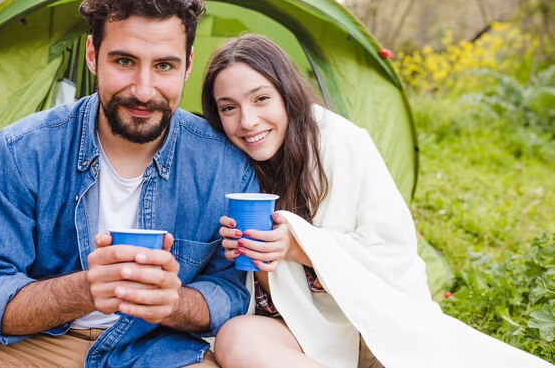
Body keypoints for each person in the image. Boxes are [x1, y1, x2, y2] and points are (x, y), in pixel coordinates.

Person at [0, 0, 258, 368]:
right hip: (30, 343)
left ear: (188, 65)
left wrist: (172, 303)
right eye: (124, 61)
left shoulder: (225, 166)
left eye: (164, 66)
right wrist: (85, 289)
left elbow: (231, 292)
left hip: (158, 350)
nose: (143, 89)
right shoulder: (18, 152)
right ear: (92, 55)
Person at [200, 34, 552, 368]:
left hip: (367, 324)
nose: (247, 121)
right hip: (299, 332)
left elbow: (390, 255)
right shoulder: (223, 163)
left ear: (287, 93)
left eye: (261, 99)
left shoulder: (339, 143)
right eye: (229, 108)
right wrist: (255, 259)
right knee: (236, 339)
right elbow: (259, 296)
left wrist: (298, 245)